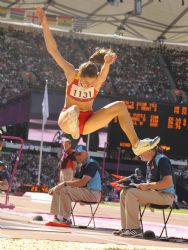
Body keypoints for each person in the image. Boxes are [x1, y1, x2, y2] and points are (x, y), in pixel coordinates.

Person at [36, 6, 160, 156]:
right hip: (66, 119)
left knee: (120, 106)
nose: (88, 85)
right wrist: (44, 24)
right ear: (79, 75)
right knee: (74, 109)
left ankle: (136, 144)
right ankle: (74, 125)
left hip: (88, 121)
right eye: (85, 83)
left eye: (91, 83)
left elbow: (103, 72)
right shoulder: (71, 73)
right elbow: (53, 50)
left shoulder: (97, 80)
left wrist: (107, 63)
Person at [113, 142, 176, 237]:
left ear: (149, 150)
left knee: (130, 192)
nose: (138, 154)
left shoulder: (162, 160)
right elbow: (151, 184)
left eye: (140, 151)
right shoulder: (150, 162)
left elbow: (168, 182)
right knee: (124, 192)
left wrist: (147, 186)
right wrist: (140, 185)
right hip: (156, 194)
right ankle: (126, 228)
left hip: (166, 197)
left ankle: (134, 229)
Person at [47, 145, 102, 226]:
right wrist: (57, 187)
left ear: (86, 153)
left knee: (65, 190)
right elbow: (74, 181)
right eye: (76, 154)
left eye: (80, 154)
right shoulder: (83, 165)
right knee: (60, 189)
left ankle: (65, 219)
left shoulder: (91, 164)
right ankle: (57, 216)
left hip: (93, 193)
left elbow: (82, 183)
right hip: (86, 191)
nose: (77, 156)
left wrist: (64, 184)